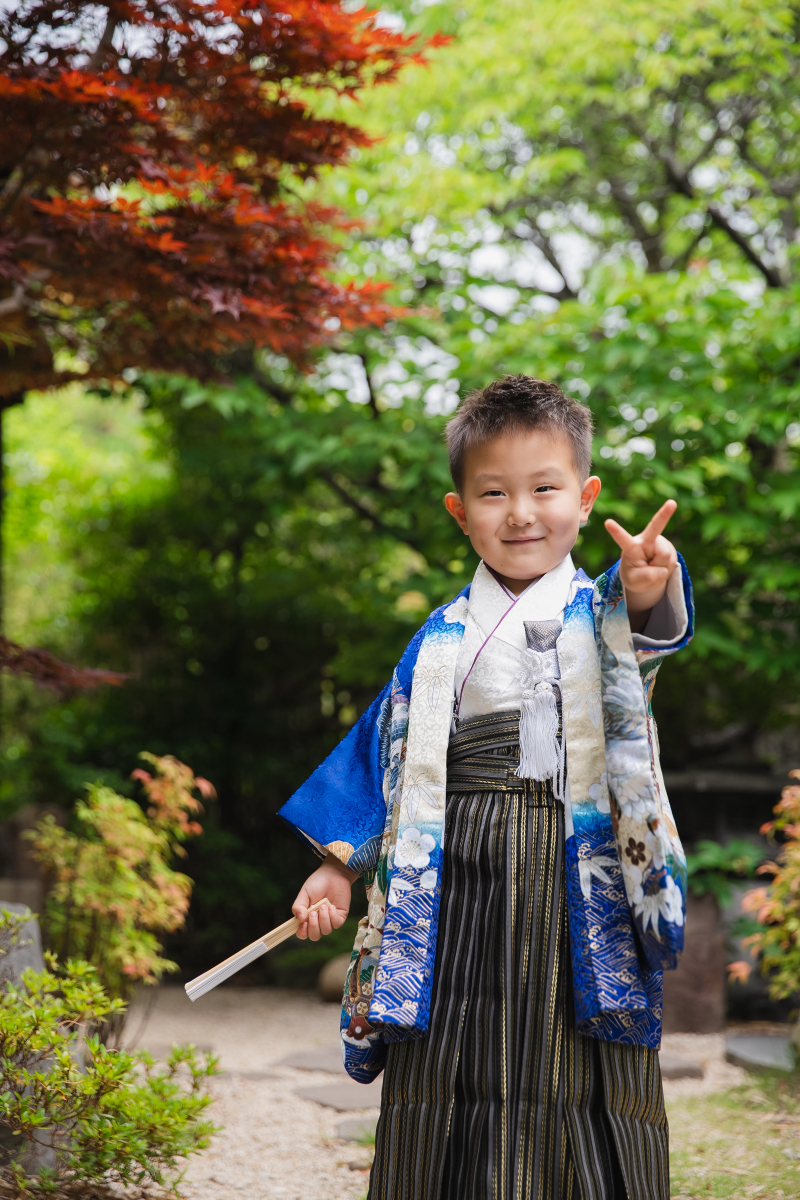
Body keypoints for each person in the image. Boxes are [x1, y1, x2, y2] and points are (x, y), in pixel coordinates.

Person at [279, 375, 694, 1200]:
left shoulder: (600, 612)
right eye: (494, 493)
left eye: (545, 489)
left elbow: (639, 645)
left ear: (586, 499)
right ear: (459, 511)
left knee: (576, 1055)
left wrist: (647, 591)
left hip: (571, 869)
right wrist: (336, 863)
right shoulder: (438, 639)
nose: (521, 514)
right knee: (447, 1052)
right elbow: (383, 751)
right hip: (452, 868)